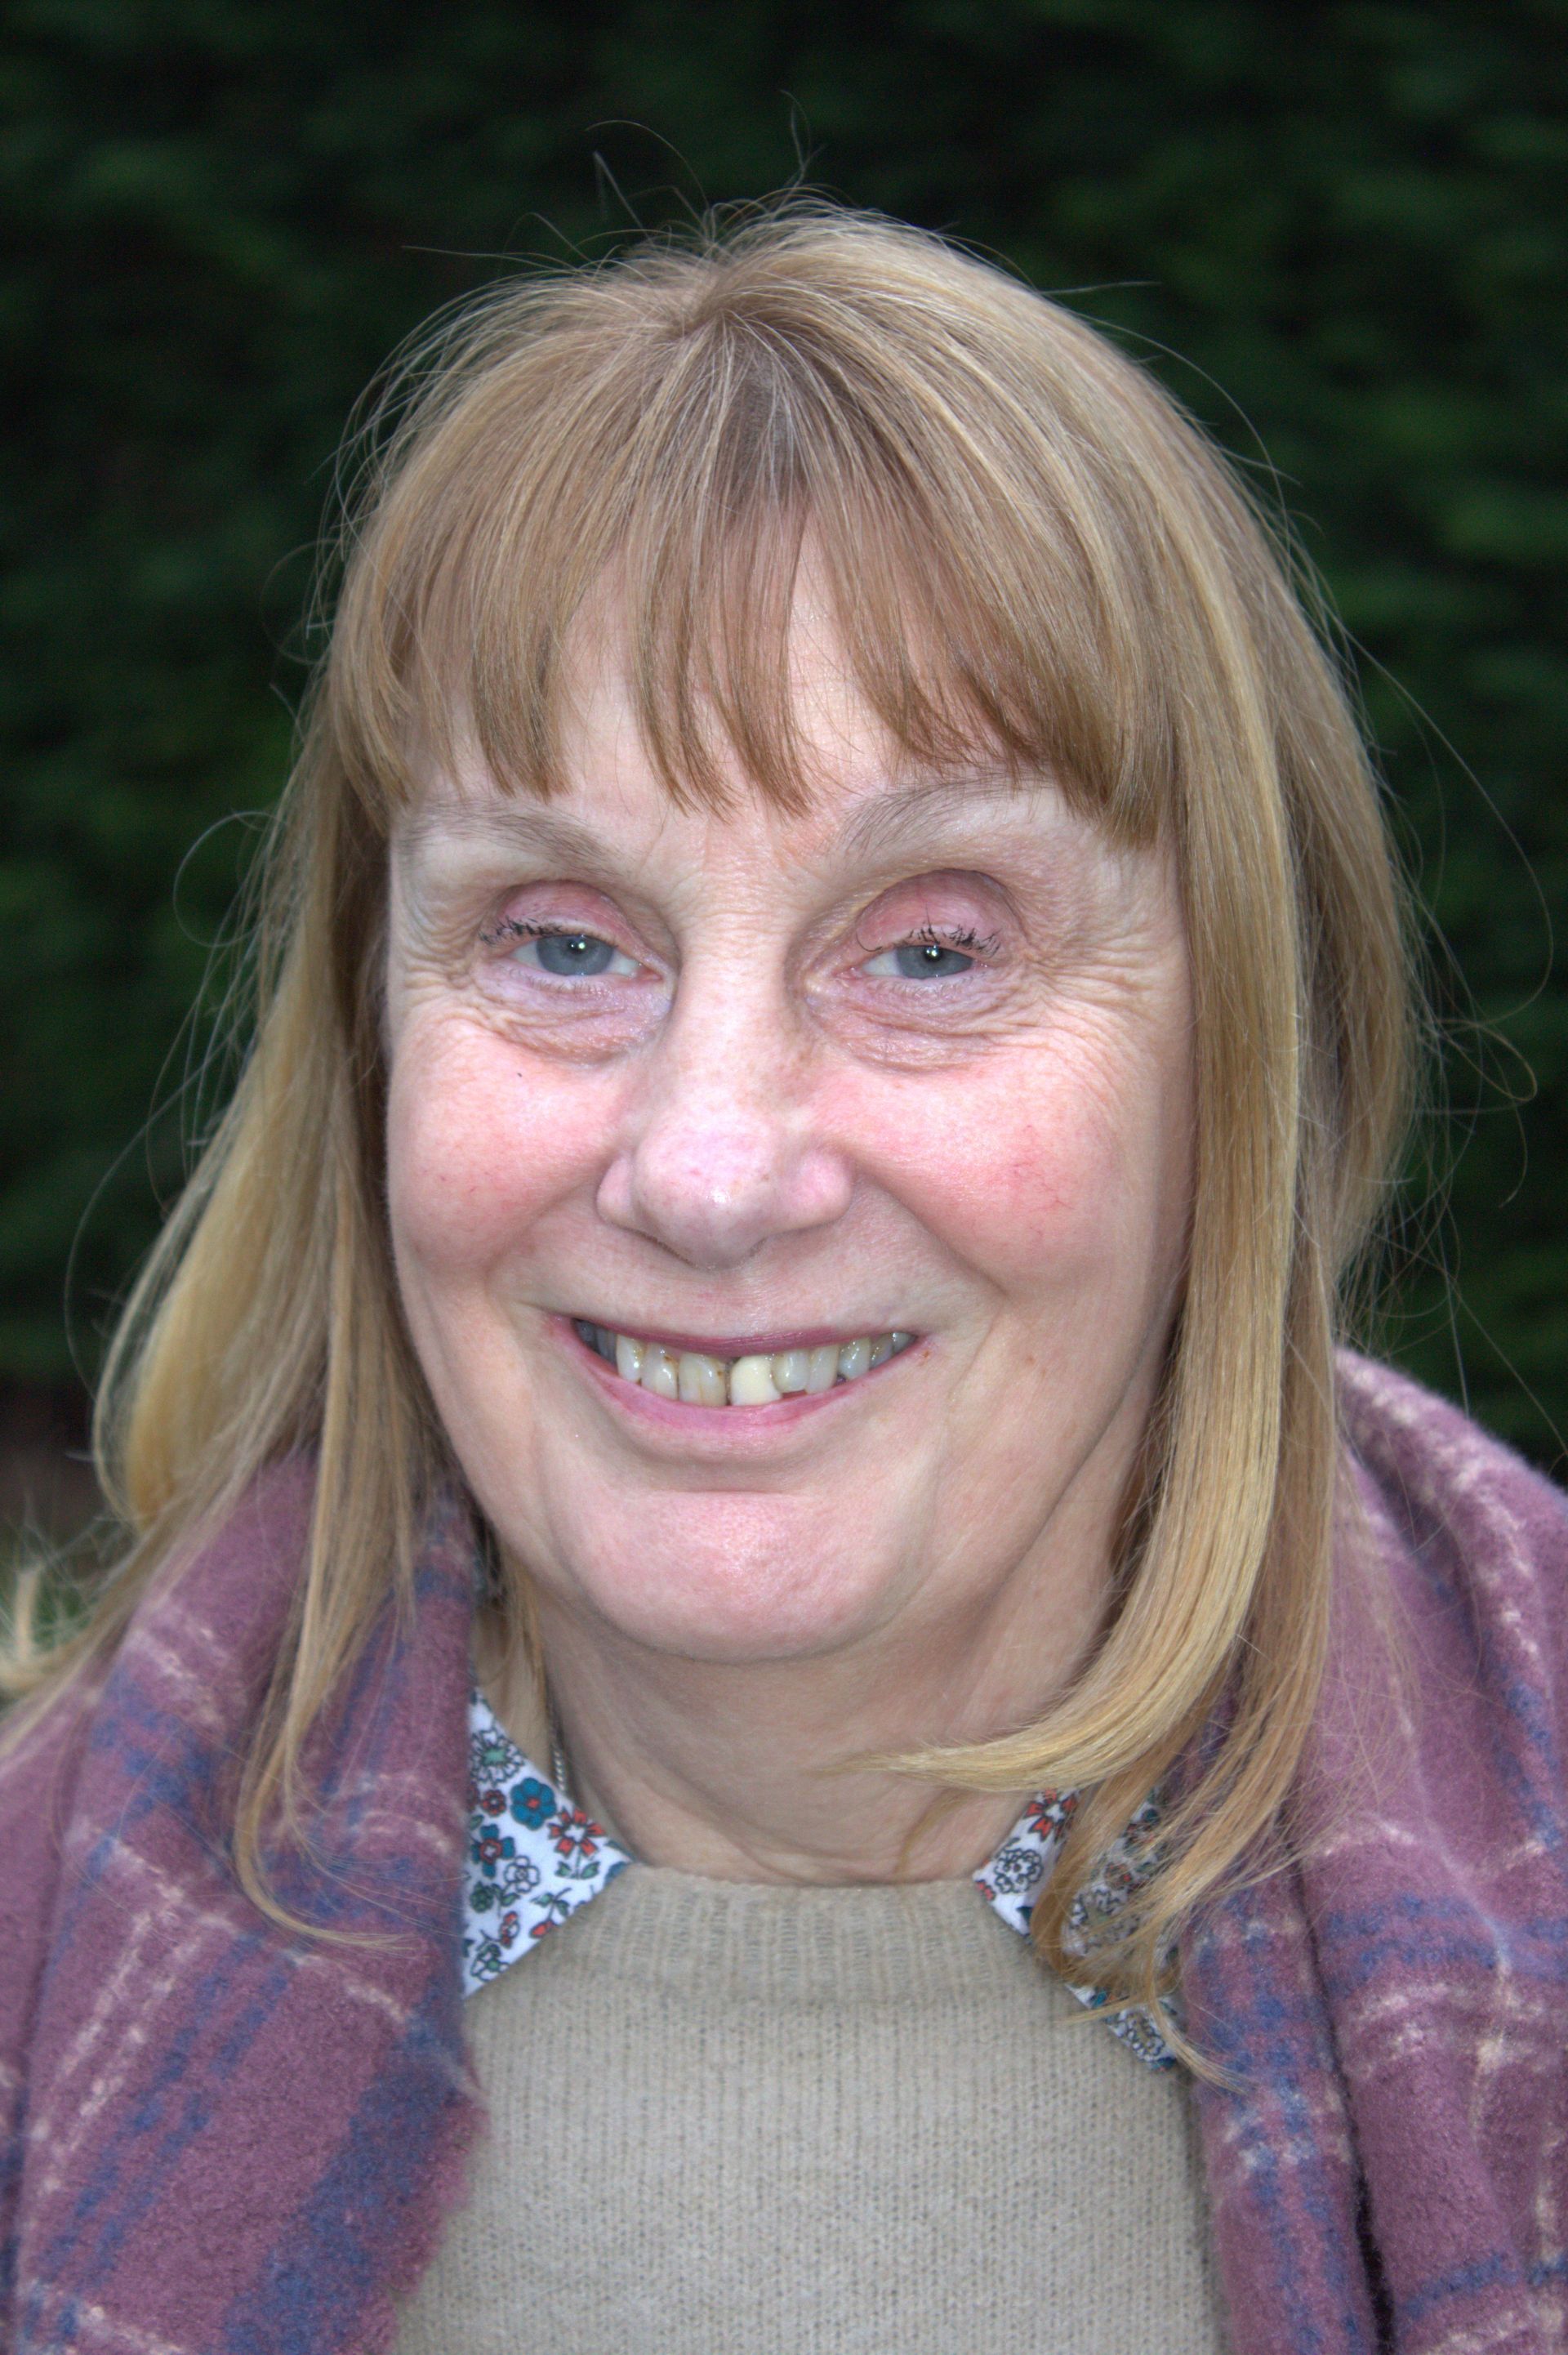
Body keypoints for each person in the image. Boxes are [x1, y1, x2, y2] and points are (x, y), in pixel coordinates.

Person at [2, 203, 1565, 2355]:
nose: (714, 1167)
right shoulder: (42, 1952)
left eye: (932, 946)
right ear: (370, 1042)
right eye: (561, 939)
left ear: (1237, 1055)